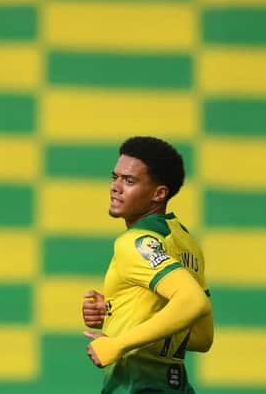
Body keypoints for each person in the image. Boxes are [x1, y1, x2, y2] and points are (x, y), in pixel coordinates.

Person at [81, 136, 214, 393]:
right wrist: (116, 314)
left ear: (159, 194)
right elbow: (202, 337)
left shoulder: (134, 242)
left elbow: (193, 301)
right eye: (115, 177)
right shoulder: (186, 242)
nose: (116, 187)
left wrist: (117, 343)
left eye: (129, 181)